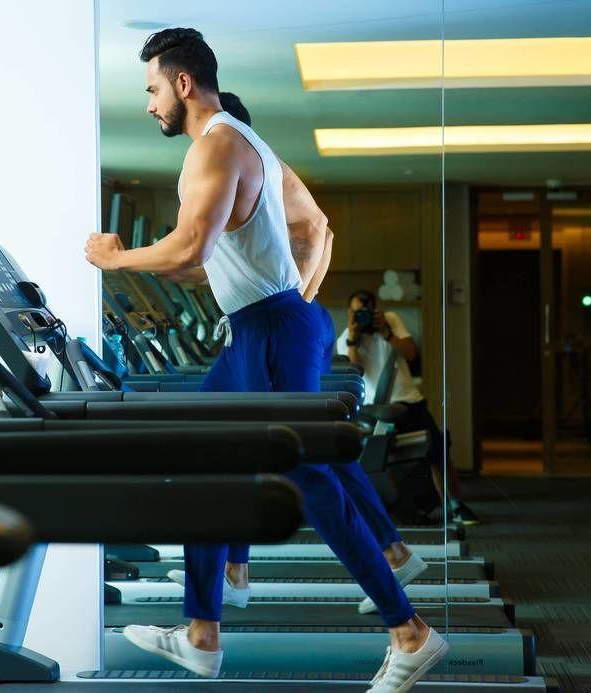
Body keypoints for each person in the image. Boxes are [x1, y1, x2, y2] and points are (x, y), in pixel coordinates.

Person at [84, 28, 447, 692]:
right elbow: (212, 262)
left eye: (152, 89)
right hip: (258, 327)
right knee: (204, 451)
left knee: (312, 480)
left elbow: (190, 246)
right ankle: (203, 629)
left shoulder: (218, 145)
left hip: (272, 329)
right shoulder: (234, 144)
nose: (149, 104)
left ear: (182, 83)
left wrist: (116, 259)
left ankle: (408, 630)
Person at [164, 91, 429, 620]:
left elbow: (318, 231)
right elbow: (219, 258)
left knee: (304, 455)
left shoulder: (250, 163)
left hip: (280, 323)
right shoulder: (246, 174)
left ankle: (398, 586)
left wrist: (296, 298)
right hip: (270, 323)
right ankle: (232, 578)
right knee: (234, 443)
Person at [337, 290, 481, 526]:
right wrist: (354, 338)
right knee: (380, 458)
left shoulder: (391, 320)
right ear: (349, 313)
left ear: (376, 310)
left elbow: (411, 353)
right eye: (356, 313)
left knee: (437, 446)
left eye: (367, 312)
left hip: (409, 400)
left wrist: (385, 332)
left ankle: (454, 504)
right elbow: (355, 373)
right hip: (375, 411)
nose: (362, 317)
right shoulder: (345, 338)